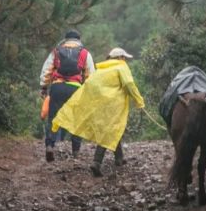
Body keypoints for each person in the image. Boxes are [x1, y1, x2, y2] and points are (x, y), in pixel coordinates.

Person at [51, 47, 145, 177]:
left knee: (112, 129)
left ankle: (119, 158)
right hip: (114, 105)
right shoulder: (121, 67)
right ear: (121, 58)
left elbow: (90, 85)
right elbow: (129, 83)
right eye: (125, 58)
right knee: (109, 131)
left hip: (100, 105)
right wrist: (139, 101)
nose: (125, 60)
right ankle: (96, 162)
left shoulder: (101, 69)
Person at [39, 29, 95, 161]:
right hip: (75, 89)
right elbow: (90, 75)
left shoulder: (56, 51)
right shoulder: (84, 52)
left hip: (57, 87)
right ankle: (75, 151)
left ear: (66, 39)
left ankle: (50, 146)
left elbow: (46, 70)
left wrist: (43, 87)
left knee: (53, 118)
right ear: (78, 40)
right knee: (77, 120)